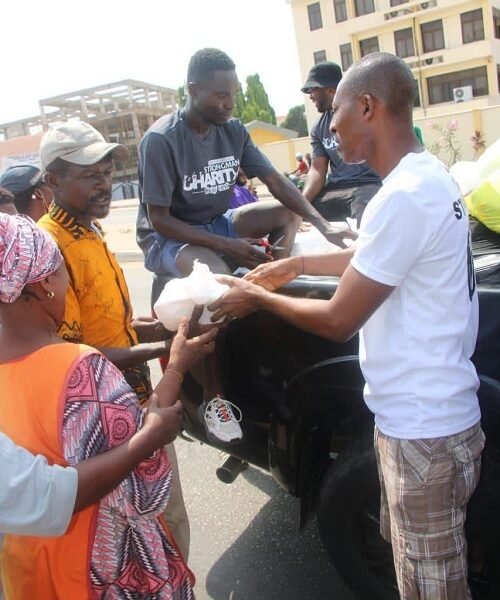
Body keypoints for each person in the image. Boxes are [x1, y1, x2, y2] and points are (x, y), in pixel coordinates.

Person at [210, 52, 484, 600]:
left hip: (422, 432)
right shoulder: (428, 177)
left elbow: (339, 320)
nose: (330, 131)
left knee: (433, 589)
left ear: (367, 107)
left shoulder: (403, 197)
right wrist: (297, 264)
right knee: (413, 566)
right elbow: (379, 254)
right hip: (433, 420)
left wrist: (256, 298)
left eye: (335, 116)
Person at [137, 47, 350, 442]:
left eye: (232, 94)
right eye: (221, 95)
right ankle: (214, 395)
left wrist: (323, 224)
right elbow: (159, 218)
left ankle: (265, 294)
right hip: (169, 235)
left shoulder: (232, 130)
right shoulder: (161, 141)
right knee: (216, 285)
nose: (229, 103)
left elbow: (275, 182)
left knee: (287, 214)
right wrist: (229, 247)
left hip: (218, 220)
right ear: (193, 89)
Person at [0, 213, 217, 598]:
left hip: (27, 571)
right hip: (94, 573)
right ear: (46, 285)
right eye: (62, 272)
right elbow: (141, 489)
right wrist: (176, 369)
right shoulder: (81, 371)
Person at [38, 121, 192, 560]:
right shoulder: (53, 246)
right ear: (52, 181)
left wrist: (160, 327)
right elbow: (71, 355)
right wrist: (167, 351)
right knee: (151, 529)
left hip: (138, 404)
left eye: (106, 172)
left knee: (166, 521)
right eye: (90, 175)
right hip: (105, 423)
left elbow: (106, 324)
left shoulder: (89, 231)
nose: (104, 184)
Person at [301, 61, 381, 226]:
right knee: (306, 212)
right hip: (336, 189)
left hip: (367, 185)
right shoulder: (318, 128)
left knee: (364, 209)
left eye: (313, 89)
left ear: (331, 90)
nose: (310, 95)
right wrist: (300, 206)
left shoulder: (363, 113)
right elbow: (317, 170)